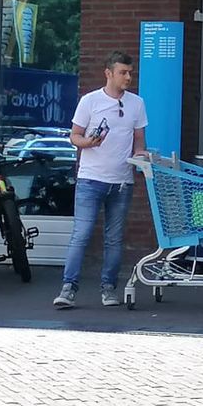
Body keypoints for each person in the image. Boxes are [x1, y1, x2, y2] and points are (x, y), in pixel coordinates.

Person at [53, 51, 148, 310]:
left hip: (121, 182)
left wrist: (141, 157)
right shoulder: (90, 101)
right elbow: (75, 136)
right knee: (81, 234)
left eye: (130, 72)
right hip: (91, 178)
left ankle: (108, 288)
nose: (128, 77)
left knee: (114, 238)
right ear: (108, 73)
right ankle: (68, 288)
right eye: (123, 72)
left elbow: (139, 141)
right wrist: (89, 142)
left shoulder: (136, 103)